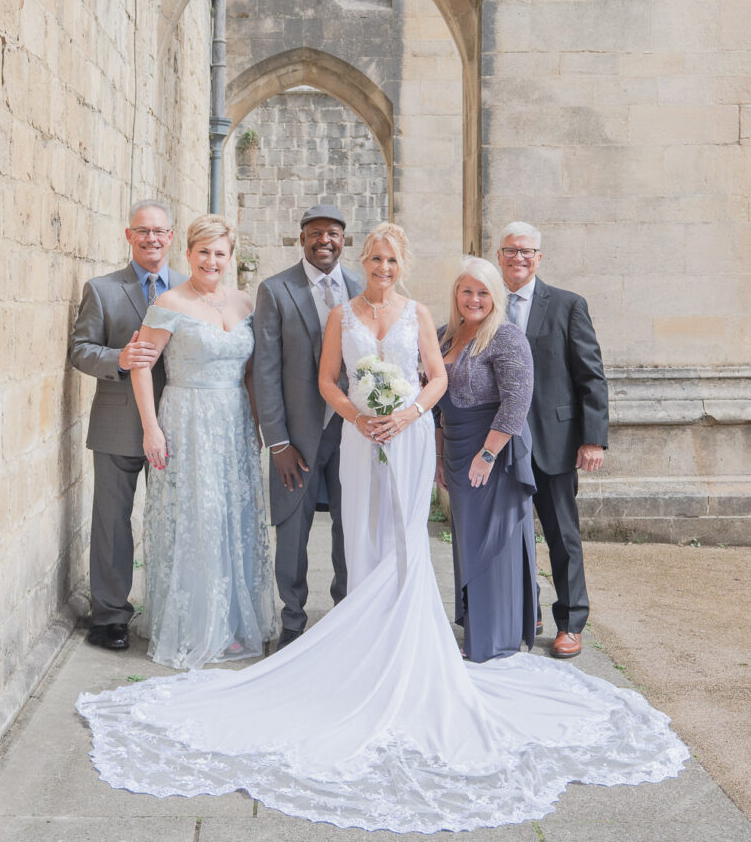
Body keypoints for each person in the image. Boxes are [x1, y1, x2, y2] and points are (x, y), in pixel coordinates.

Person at [78, 222, 686, 834]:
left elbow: (436, 376)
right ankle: (361, 645)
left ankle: (406, 638)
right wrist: (360, 415)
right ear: (361, 261)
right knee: (361, 535)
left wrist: (408, 413)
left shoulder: (422, 313)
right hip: (360, 439)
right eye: (374, 258)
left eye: (391, 259)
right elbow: (325, 381)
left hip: (411, 438)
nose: (383, 267)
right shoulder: (341, 314)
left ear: (402, 263)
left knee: (404, 539)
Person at [130, 214, 276, 668]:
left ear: (230, 258)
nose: (211, 261)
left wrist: (255, 424)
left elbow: (251, 372)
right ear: (188, 254)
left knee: (234, 514)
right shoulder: (170, 302)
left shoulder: (245, 303)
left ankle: (232, 623)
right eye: (203, 252)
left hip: (233, 422)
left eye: (220, 253)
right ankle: (196, 624)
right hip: (188, 420)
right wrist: (151, 428)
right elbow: (140, 364)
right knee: (198, 516)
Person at [69, 200, 186, 651]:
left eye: (159, 231)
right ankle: (111, 616)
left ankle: (172, 609)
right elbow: (80, 349)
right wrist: (116, 359)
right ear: (128, 235)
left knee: (175, 520)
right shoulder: (101, 289)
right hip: (118, 422)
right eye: (143, 231)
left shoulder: (189, 286)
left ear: (171, 237)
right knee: (112, 522)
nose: (151, 239)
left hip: (177, 422)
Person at [497, 220, 609, 659]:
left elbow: (591, 375)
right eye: (511, 251)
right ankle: (527, 612)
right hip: (500, 443)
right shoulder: (485, 303)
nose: (519, 258)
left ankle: (570, 621)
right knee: (508, 533)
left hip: (555, 441)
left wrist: (593, 439)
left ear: (538, 258)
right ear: (500, 256)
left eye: (527, 251)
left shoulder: (566, 305)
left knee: (562, 535)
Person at [252, 204, 361, 650]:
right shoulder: (276, 290)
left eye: (333, 234)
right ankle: (292, 621)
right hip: (297, 434)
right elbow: (265, 371)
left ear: (343, 239)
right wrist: (278, 443)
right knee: (292, 530)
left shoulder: (360, 287)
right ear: (301, 239)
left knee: (348, 526)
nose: (324, 241)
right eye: (315, 233)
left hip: (351, 432)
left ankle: (345, 615)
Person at [434, 256, 537, 662]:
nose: (474, 299)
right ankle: (476, 630)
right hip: (457, 451)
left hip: (493, 453)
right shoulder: (443, 336)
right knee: (468, 542)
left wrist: (488, 454)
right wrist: (441, 455)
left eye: (483, 292)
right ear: (456, 294)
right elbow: (440, 407)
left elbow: (516, 403)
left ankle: (494, 640)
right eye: (466, 291)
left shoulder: (507, 338)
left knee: (494, 544)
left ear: (495, 296)